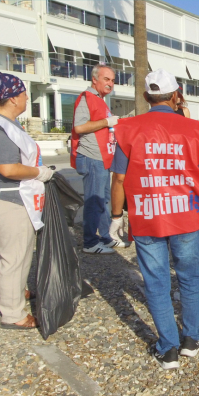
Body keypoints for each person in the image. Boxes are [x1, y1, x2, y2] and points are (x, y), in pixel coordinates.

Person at [109, 69, 199, 369]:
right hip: (186, 212)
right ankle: (192, 339)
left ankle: (168, 348)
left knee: (156, 281)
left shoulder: (129, 128)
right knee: (190, 277)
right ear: (176, 95)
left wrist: (116, 216)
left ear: (146, 97)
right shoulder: (195, 129)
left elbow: (119, 178)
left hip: (147, 213)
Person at [0, 71, 54, 329]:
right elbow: (8, 168)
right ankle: (13, 314)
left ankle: (17, 294)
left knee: (18, 254)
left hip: (15, 200)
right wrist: (40, 173)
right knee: (14, 258)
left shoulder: (2, 124)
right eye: (22, 93)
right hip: (10, 202)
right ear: (10, 99)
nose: (26, 98)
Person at [71, 63, 129, 254]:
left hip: (102, 158)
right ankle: (89, 243)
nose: (110, 83)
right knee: (94, 201)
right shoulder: (86, 98)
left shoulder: (99, 100)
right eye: (106, 79)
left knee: (103, 200)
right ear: (94, 79)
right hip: (92, 157)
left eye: (112, 80)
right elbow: (79, 127)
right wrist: (107, 122)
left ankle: (106, 237)